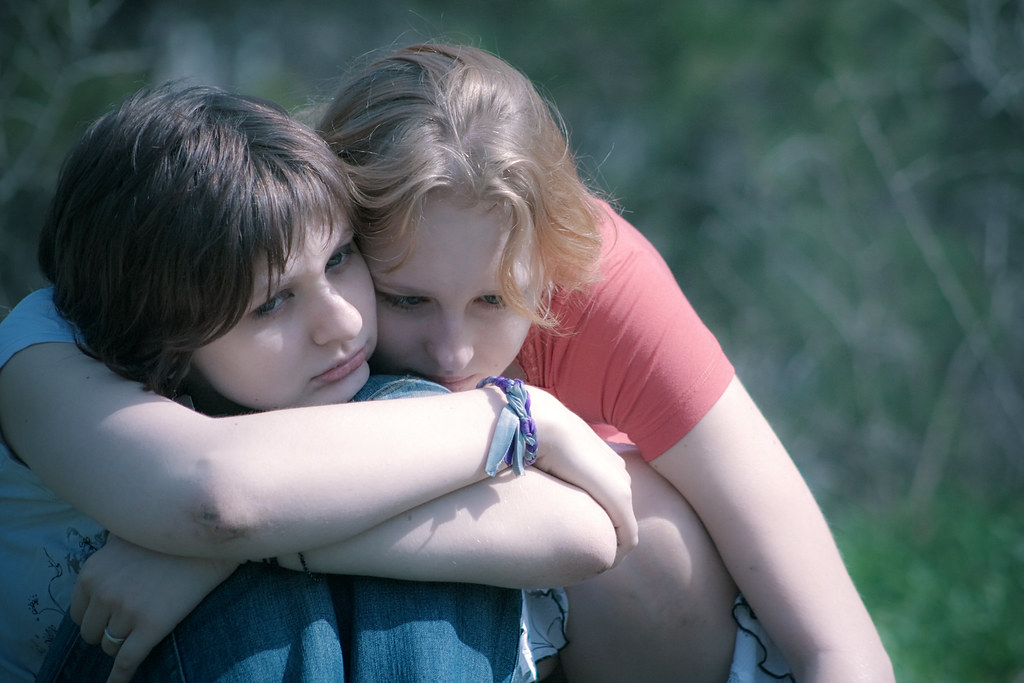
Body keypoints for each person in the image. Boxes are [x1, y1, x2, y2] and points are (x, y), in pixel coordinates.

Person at [0, 83, 637, 682]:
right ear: (161, 336)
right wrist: (522, 419)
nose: (343, 320)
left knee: (388, 435)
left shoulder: (349, 373)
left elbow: (578, 534)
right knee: (275, 575)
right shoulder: (45, 348)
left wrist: (220, 553)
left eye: (339, 259)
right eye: (272, 303)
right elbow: (219, 499)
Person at [307, 43, 894, 682]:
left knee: (636, 517)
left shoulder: (594, 276)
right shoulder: (274, 285)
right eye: (407, 299)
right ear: (333, 249)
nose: (454, 352)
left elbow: (839, 645)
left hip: (631, 635)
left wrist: (287, 537)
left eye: (494, 300)